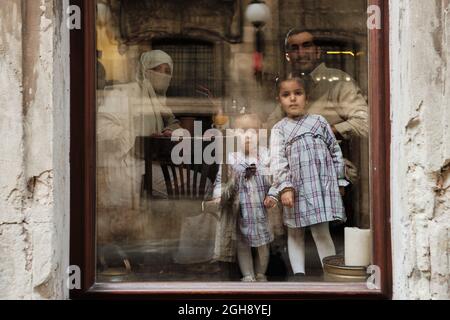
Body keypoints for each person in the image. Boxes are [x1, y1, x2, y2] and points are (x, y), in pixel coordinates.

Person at [96, 50, 180, 241]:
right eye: (159, 70)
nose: (164, 76)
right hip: (128, 164)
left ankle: (161, 246)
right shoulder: (124, 94)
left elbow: (172, 121)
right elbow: (101, 127)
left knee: (185, 191)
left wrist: (170, 131)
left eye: (168, 71)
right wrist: (135, 139)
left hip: (151, 163)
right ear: (145, 70)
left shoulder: (159, 101)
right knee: (182, 194)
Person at [270, 76, 347, 276]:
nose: (293, 99)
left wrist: (339, 181)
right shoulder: (279, 129)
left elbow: (335, 152)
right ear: (279, 99)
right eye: (286, 95)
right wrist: (286, 187)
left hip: (319, 188)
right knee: (295, 232)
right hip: (296, 190)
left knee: (321, 231)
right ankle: (298, 275)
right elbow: (278, 161)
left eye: (298, 93)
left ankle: (330, 272)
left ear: (307, 97)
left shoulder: (319, 122)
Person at [204, 114, 281, 281]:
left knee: (263, 243)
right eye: (242, 131)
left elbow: (277, 180)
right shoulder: (231, 159)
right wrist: (219, 195)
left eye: (253, 132)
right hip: (241, 210)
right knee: (242, 243)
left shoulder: (266, 156)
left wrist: (272, 195)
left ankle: (261, 273)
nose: (248, 136)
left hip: (262, 210)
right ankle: (248, 275)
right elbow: (221, 182)